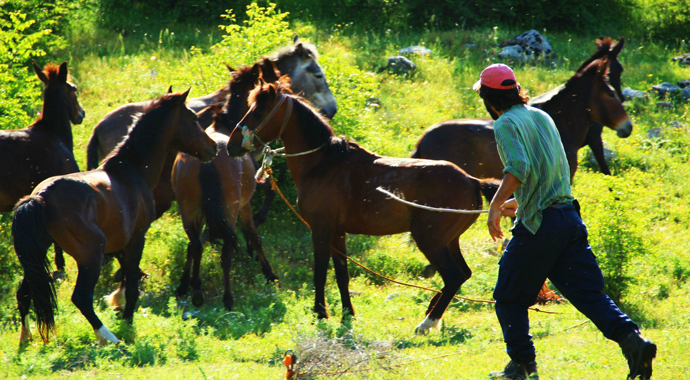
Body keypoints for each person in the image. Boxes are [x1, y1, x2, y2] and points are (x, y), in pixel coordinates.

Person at [476, 63, 657, 380]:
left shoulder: (505, 123)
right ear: (515, 90)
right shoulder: (541, 117)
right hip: (568, 219)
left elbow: (518, 167)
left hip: (540, 227)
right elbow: (553, 175)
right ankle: (633, 341)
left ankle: (521, 366)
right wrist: (517, 203)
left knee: (508, 297)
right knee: (590, 295)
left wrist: (493, 206)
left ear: (490, 100)